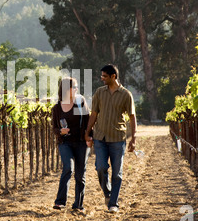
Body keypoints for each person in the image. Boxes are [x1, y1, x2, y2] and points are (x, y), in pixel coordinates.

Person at [85, 64, 137, 213]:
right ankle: (107, 193)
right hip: (100, 137)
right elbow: (94, 114)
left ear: (113, 76)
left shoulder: (126, 95)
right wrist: (87, 132)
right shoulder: (99, 93)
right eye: (102, 76)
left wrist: (133, 138)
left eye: (104, 76)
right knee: (100, 168)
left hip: (118, 138)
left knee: (117, 173)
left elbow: (132, 117)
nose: (102, 79)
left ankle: (113, 203)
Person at [51, 77, 91, 211]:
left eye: (76, 87)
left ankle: (78, 204)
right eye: (74, 87)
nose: (76, 89)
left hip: (80, 143)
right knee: (68, 168)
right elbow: (54, 128)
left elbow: (88, 121)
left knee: (80, 174)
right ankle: (60, 201)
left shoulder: (80, 103)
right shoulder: (57, 108)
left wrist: (89, 137)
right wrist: (60, 131)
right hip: (65, 142)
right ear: (66, 89)